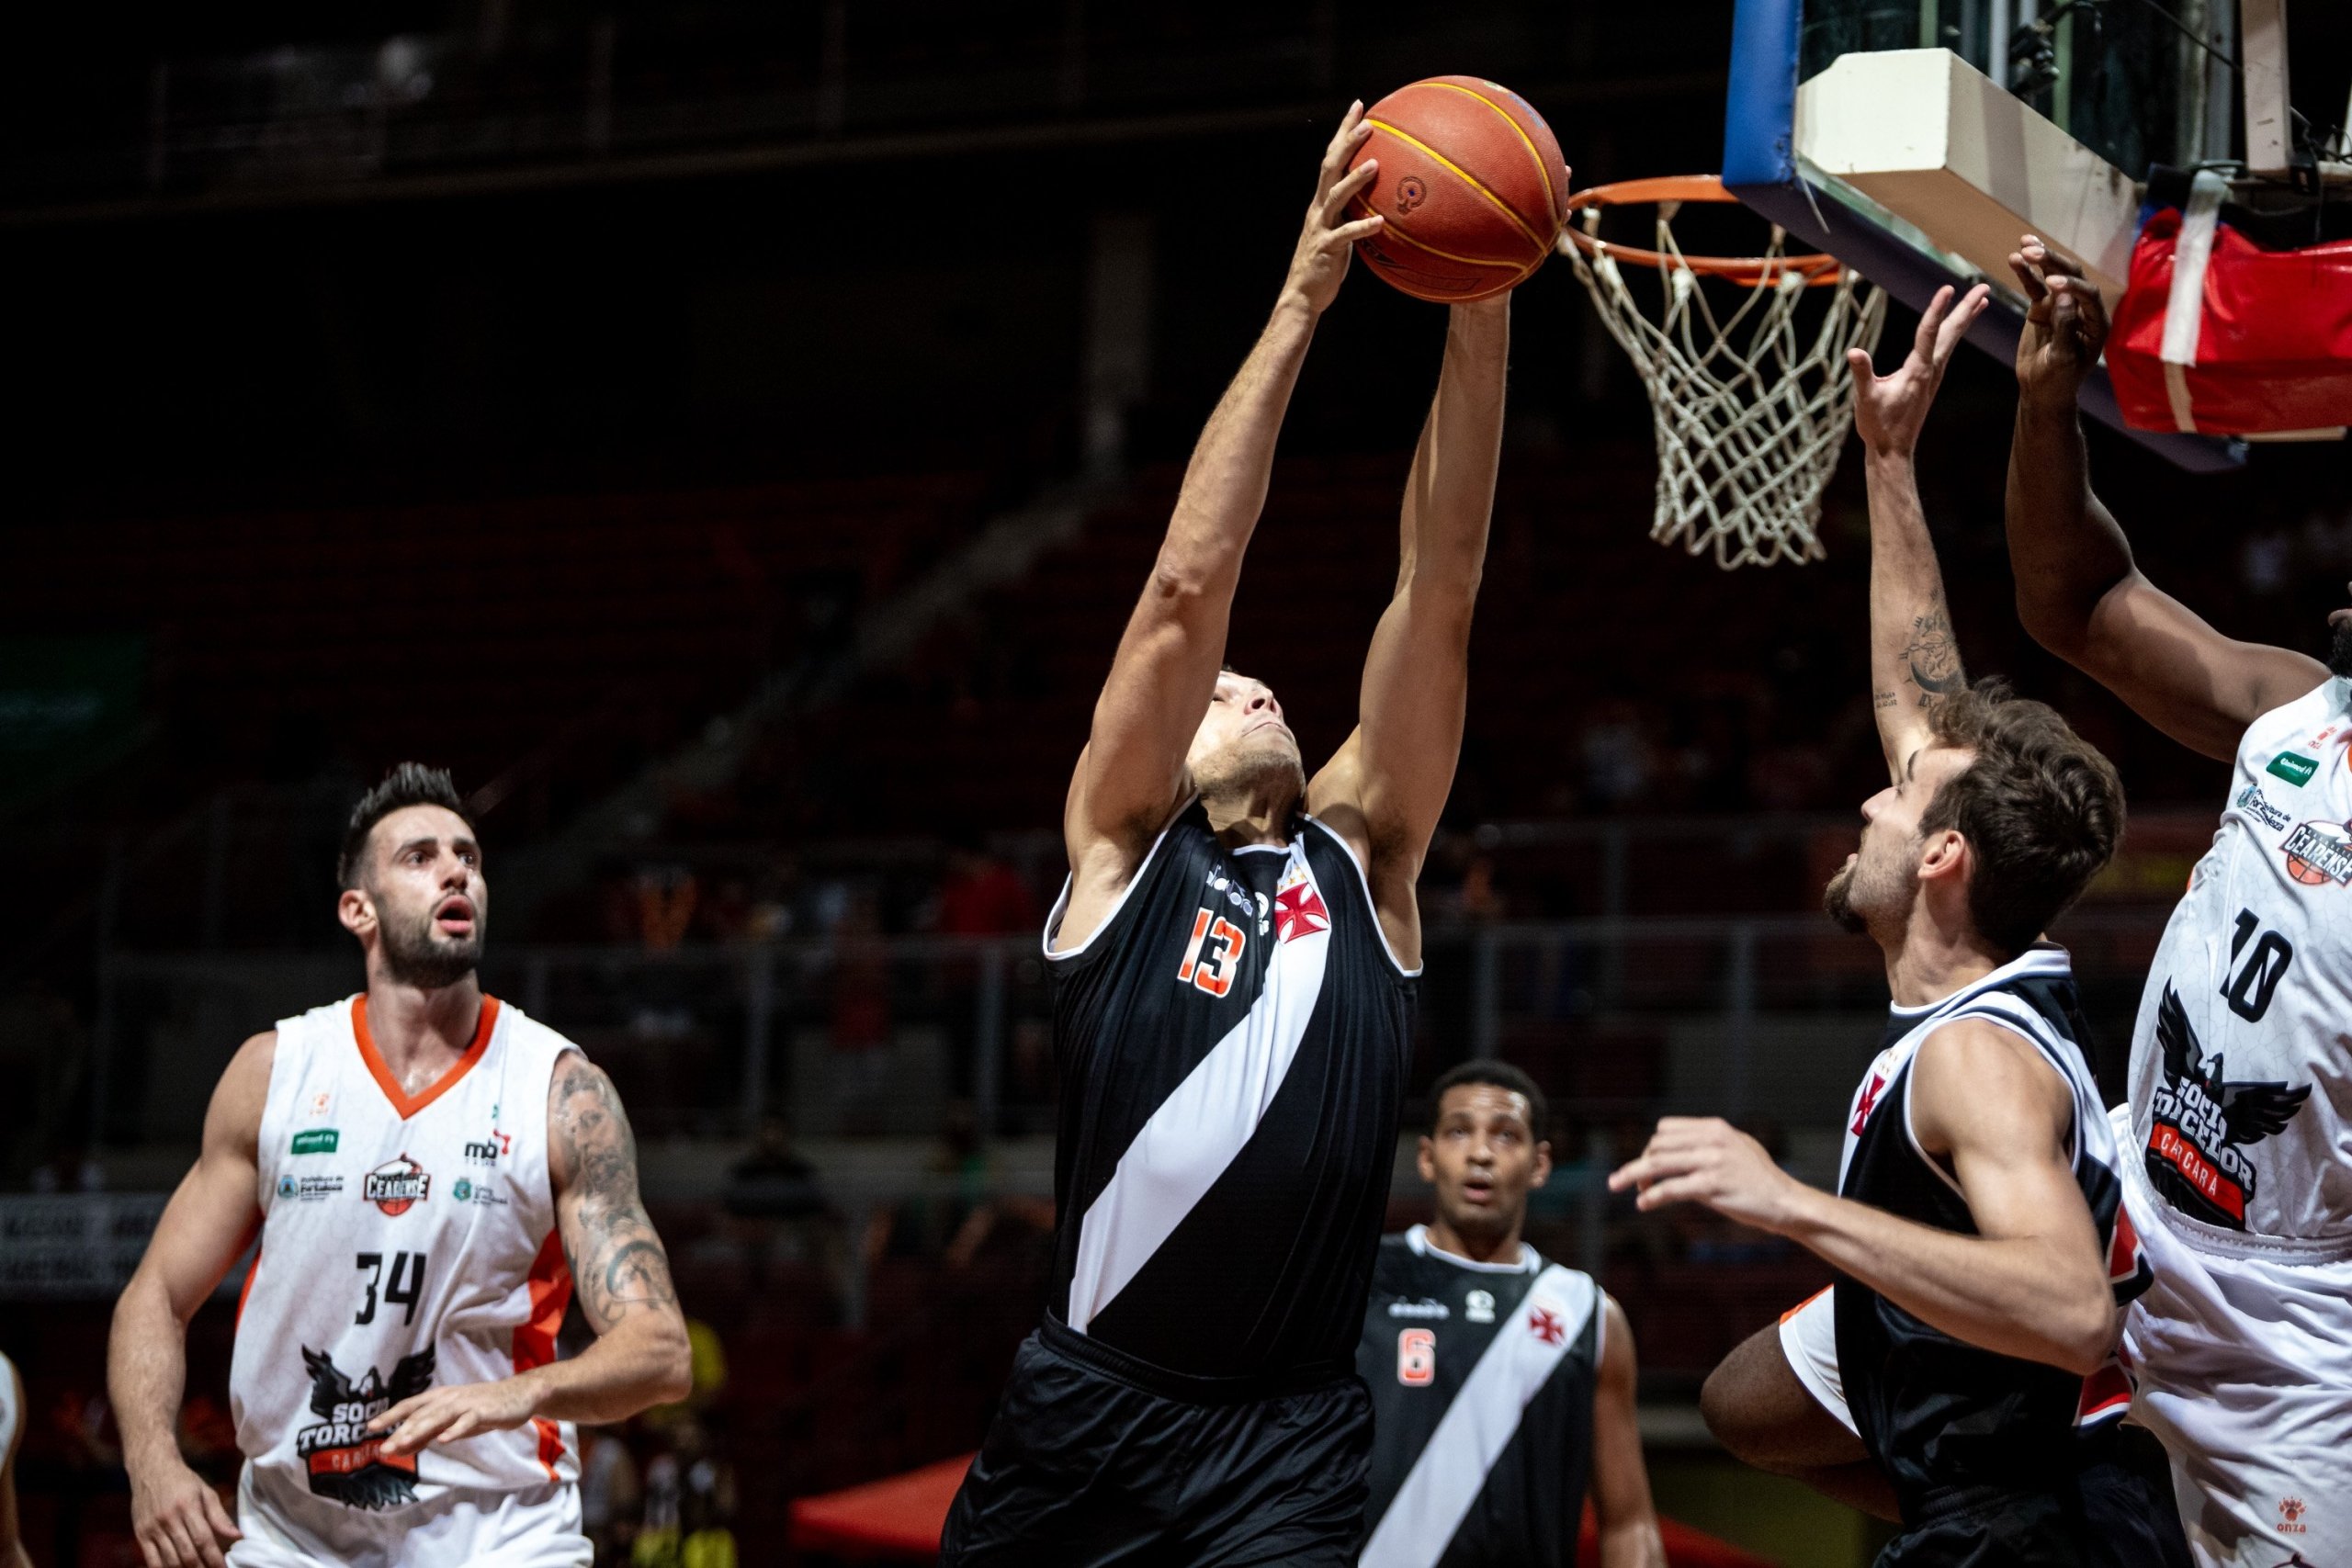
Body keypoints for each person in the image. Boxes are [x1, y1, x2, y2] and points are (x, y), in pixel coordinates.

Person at [941, 100, 1510, 1566]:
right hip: (1092, 1407)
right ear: (1176, 744)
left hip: (1289, 1436)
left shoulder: (1365, 852)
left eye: (1272, 683)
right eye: (1226, 690)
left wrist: (1483, 306)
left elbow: (1436, 585)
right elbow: (1191, 587)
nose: (1255, 681)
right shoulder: (1125, 850)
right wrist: (1306, 293)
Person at [1612, 284, 2182, 1563]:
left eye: (1899, 791)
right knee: (1744, 1399)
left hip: (2042, 1529)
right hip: (2000, 1496)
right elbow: (1917, 693)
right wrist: (1886, 461)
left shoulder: (1977, 1059)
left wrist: (1791, 1203)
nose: (1870, 789)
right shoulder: (1984, 998)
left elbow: (2068, 1304)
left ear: (1941, 854)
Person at [108, 763, 693, 1568]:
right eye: (420, 857)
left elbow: (661, 1350)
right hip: (292, 1539)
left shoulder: (558, 1091)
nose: (456, 869)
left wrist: (516, 1394)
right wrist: (152, 1463)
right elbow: (156, 1296)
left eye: (469, 857)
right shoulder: (275, 1073)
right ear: (359, 908)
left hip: (500, 1536)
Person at [2006, 236, 2352, 1568]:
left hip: (2291, 1319)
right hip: (2125, 1209)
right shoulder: (2292, 713)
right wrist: (2049, 402)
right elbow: (2077, 600)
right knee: (1766, 1399)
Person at [1356, 1061, 1664, 1568]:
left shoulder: (1588, 1313)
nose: (1480, 1153)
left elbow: (1629, 1521)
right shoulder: (1361, 1281)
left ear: (1540, 1164)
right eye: (1459, 1131)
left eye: (1506, 1136)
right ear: (1428, 1157)